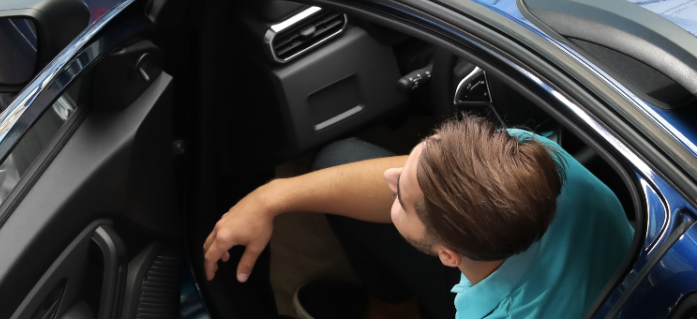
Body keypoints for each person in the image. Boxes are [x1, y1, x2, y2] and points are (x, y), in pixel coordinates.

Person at [203, 115, 634, 319]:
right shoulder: (532, 158)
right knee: (339, 160)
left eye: (402, 201)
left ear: (447, 255)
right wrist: (273, 197)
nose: (389, 174)